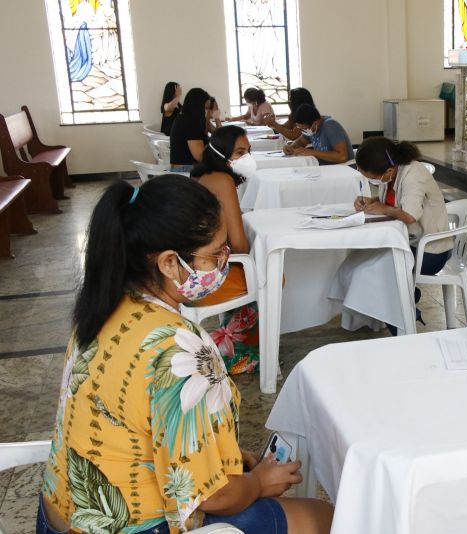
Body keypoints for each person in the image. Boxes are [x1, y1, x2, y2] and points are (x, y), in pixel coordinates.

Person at [38, 175, 333, 534]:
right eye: (215, 255)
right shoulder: (182, 351)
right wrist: (257, 484)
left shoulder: (100, 310)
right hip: (136, 527)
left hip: (59, 518)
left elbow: (138, 421)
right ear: (169, 263)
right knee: (325, 518)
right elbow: (212, 497)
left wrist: (225, 458)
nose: (225, 263)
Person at [353, 136, 452, 333]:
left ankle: (402, 328)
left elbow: (409, 214)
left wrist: (383, 208)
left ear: (388, 171)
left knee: (383, 272)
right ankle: (405, 303)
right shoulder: (392, 172)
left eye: (371, 177)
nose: (371, 181)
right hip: (409, 243)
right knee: (366, 264)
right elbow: (392, 201)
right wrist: (371, 200)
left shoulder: (413, 174)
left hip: (430, 252)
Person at [191, 125, 261, 374]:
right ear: (221, 154)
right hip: (208, 277)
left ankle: (236, 340)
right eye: (239, 152)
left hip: (194, 269)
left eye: (249, 151)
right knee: (269, 273)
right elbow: (240, 245)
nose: (247, 158)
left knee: (254, 268)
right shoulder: (223, 180)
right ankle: (241, 353)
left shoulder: (200, 176)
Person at [283, 103, 354, 165]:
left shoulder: (330, 125)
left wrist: (312, 152)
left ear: (315, 123)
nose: (304, 131)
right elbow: (301, 141)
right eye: (301, 129)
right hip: (326, 166)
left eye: (304, 129)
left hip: (344, 167)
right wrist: (291, 147)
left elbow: (342, 156)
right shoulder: (311, 129)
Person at [170, 87, 220, 170]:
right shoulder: (189, 121)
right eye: (205, 108)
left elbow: (219, 133)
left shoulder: (191, 117)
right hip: (185, 170)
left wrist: (216, 117)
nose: (207, 112)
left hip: (187, 166)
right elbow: (200, 156)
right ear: (198, 105)